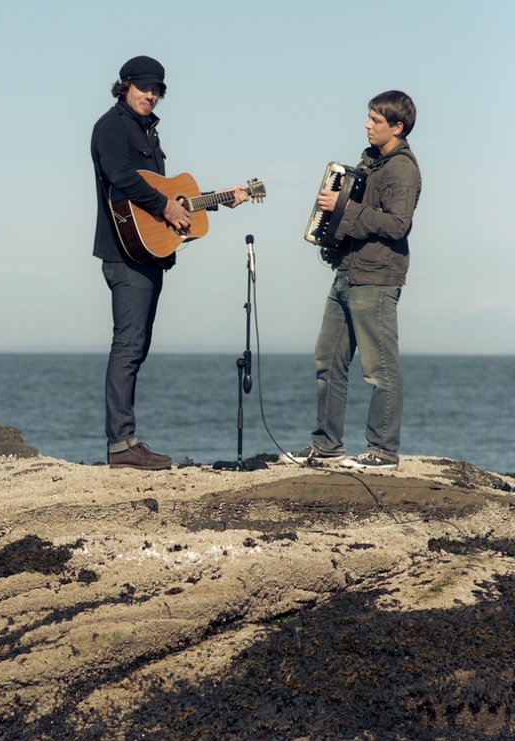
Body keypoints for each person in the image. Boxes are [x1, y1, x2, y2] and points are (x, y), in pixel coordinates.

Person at [91, 55, 247, 469]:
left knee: (136, 346)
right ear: (125, 85)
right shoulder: (111, 127)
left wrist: (215, 201)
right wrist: (166, 206)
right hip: (124, 255)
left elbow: (174, 202)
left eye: (157, 90)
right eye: (144, 87)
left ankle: (125, 440)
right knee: (127, 345)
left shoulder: (149, 133)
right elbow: (122, 177)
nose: (151, 95)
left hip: (148, 253)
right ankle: (121, 445)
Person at [283, 90, 422, 471]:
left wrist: (343, 208)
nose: (367, 125)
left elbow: (397, 224)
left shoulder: (402, 168)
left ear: (397, 126)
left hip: (376, 277)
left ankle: (383, 452)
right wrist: (334, 233)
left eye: (375, 121)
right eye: (368, 118)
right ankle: (326, 446)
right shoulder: (370, 164)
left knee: (380, 369)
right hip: (347, 271)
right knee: (327, 360)